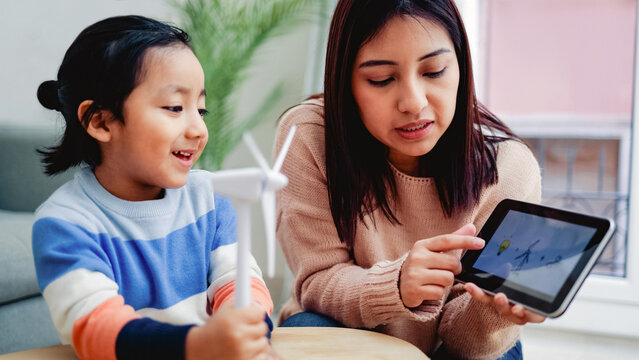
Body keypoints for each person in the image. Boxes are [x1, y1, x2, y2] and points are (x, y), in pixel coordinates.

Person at [273, 0, 545, 359]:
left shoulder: (507, 167)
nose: (413, 103)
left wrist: (493, 310)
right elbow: (317, 283)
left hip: (453, 349)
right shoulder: (309, 136)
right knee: (306, 329)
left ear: (461, 65)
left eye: (434, 71)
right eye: (381, 79)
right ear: (345, 80)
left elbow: (467, 345)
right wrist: (396, 285)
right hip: (348, 333)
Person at [32, 15, 275, 360]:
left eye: (200, 110)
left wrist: (245, 328)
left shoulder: (210, 197)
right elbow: (97, 327)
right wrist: (200, 345)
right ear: (100, 121)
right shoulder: (64, 224)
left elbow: (241, 283)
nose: (198, 130)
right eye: (175, 107)